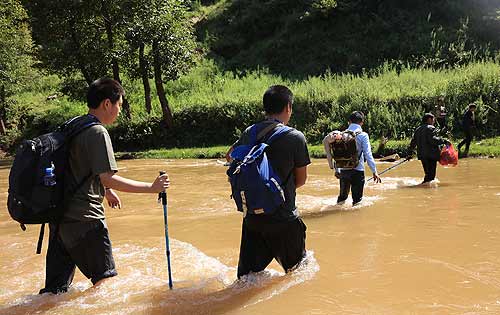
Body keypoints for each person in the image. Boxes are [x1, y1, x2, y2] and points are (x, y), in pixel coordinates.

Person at [40, 78, 170, 294]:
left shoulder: (74, 125)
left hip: (59, 222)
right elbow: (107, 177)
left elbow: (78, 168)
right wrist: (152, 187)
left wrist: (106, 191)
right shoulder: (97, 132)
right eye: (119, 104)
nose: (119, 110)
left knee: (53, 293)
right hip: (86, 221)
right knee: (106, 286)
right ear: (107, 104)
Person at [225, 85, 310, 279]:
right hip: (283, 218)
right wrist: (273, 192)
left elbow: (230, 156)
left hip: (253, 218)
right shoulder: (295, 137)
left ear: (266, 108)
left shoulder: (250, 132)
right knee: (299, 276)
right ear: (288, 107)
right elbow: (301, 180)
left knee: (247, 280)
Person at [324, 111, 381, 206]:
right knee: (357, 202)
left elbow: (336, 153)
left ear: (349, 122)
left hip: (343, 170)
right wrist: (374, 171)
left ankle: (338, 215)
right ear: (362, 122)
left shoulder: (340, 135)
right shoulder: (363, 135)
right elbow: (368, 154)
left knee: (342, 198)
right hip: (358, 171)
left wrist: (337, 170)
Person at [408, 113, 450, 184]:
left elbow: (413, 142)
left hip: (422, 155)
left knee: (428, 174)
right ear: (429, 119)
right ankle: (426, 189)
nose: (434, 121)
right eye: (433, 119)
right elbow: (433, 140)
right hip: (431, 155)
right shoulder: (430, 128)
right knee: (431, 175)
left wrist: (410, 153)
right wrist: (444, 141)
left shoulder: (418, 129)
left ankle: (424, 187)